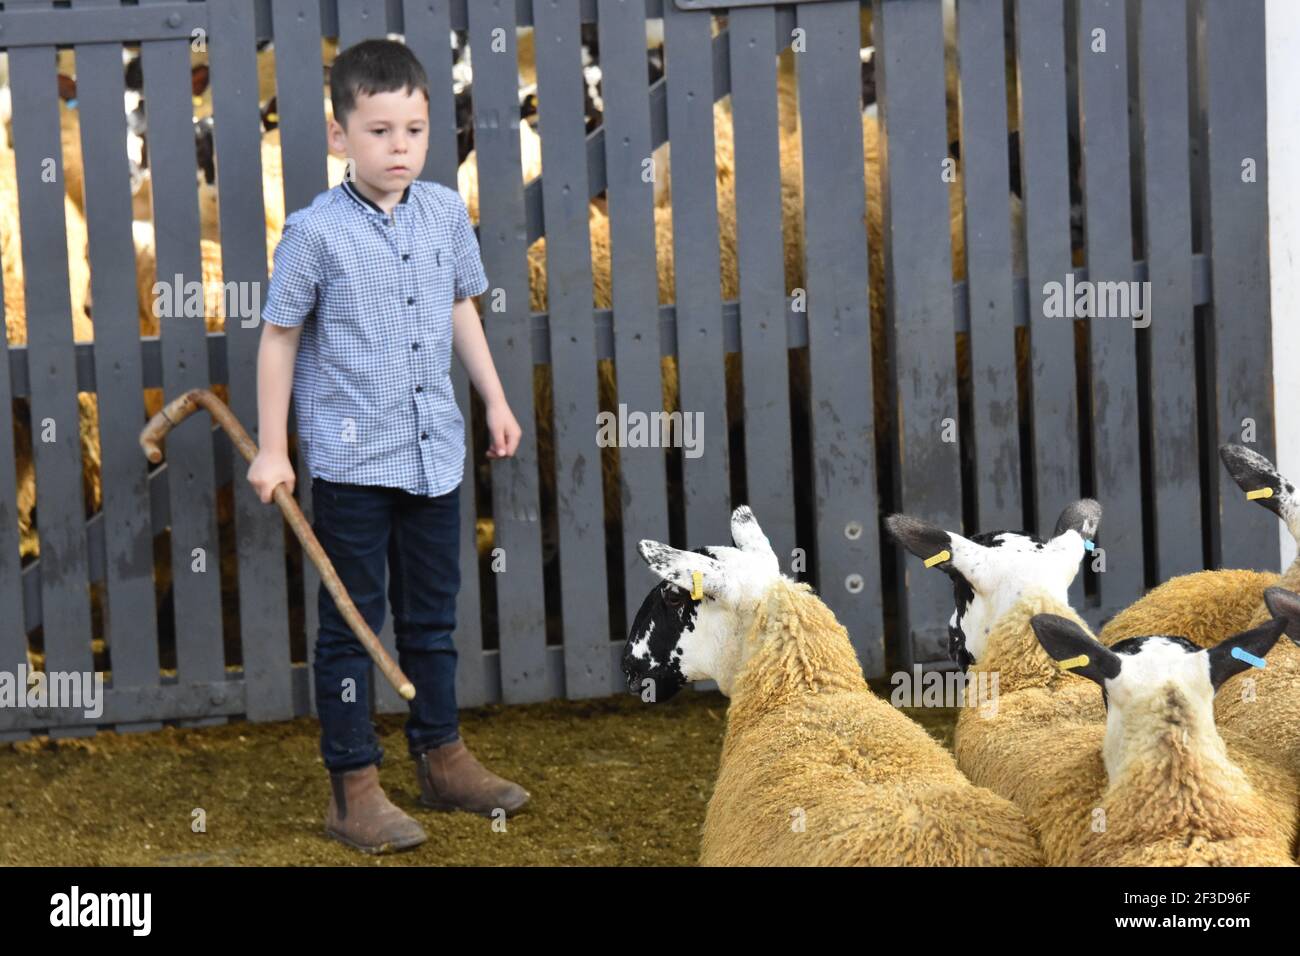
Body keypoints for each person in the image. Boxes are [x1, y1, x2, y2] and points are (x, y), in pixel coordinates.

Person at [249, 38, 528, 854]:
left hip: (432, 454)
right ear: (341, 137)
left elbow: (459, 310)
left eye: (413, 129)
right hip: (351, 466)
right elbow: (278, 339)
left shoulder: (444, 212)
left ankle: (442, 757)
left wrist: (495, 399)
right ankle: (354, 786)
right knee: (351, 626)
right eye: (378, 131)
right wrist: (273, 449)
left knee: (432, 620)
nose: (398, 146)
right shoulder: (313, 234)